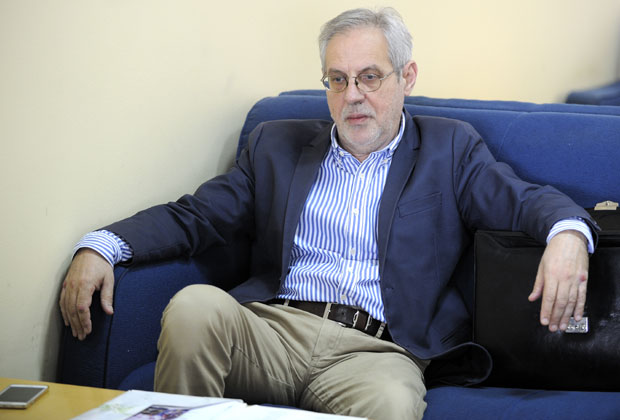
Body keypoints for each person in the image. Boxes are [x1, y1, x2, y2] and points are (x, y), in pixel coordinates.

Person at [59, 7, 597, 420]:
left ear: (407, 76)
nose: (352, 96)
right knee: (194, 306)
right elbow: (196, 216)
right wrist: (101, 246)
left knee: (393, 402)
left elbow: (522, 199)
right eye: (337, 79)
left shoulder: (449, 148)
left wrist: (568, 234)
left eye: (370, 76)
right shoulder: (275, 145)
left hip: (377, 352)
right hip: (273, 331)